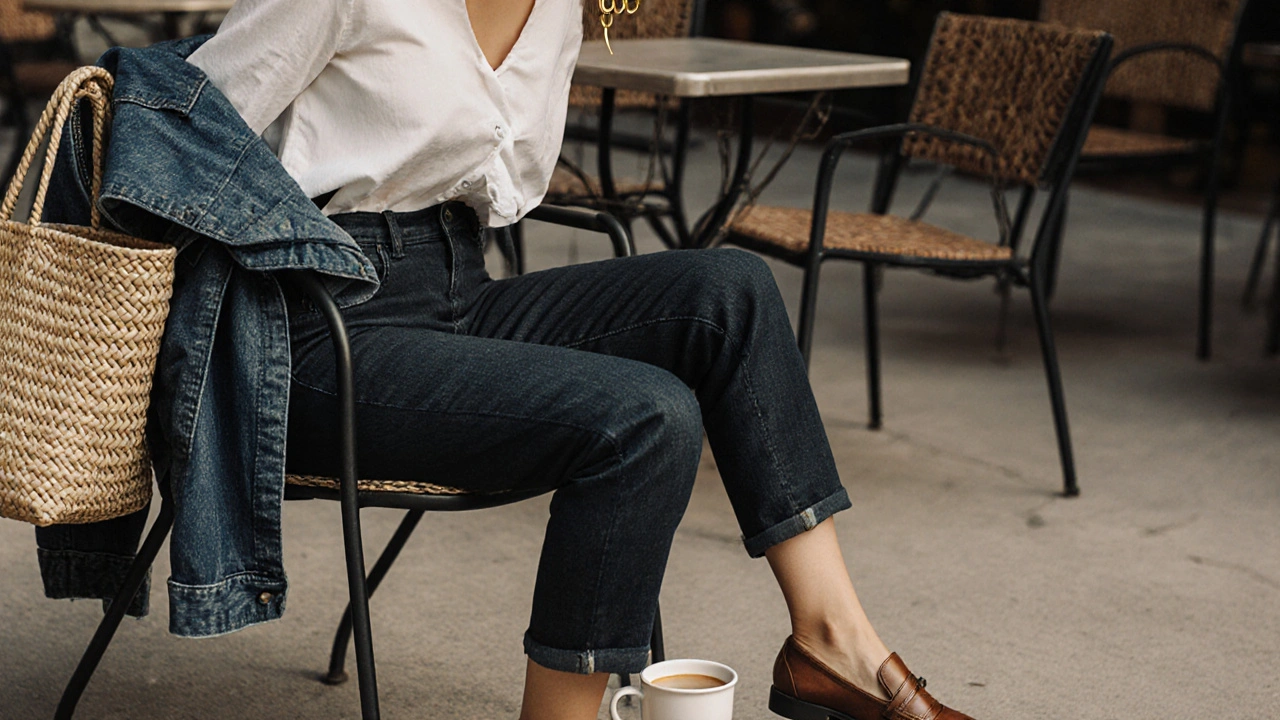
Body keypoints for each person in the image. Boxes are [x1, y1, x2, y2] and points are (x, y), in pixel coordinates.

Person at [186, 1, 975, 719]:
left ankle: (832, 643)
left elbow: (492, 181)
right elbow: (175, 136)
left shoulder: (560, 9)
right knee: (645, 416)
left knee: (729, 289)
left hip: (454, 287)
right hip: (311, 334)